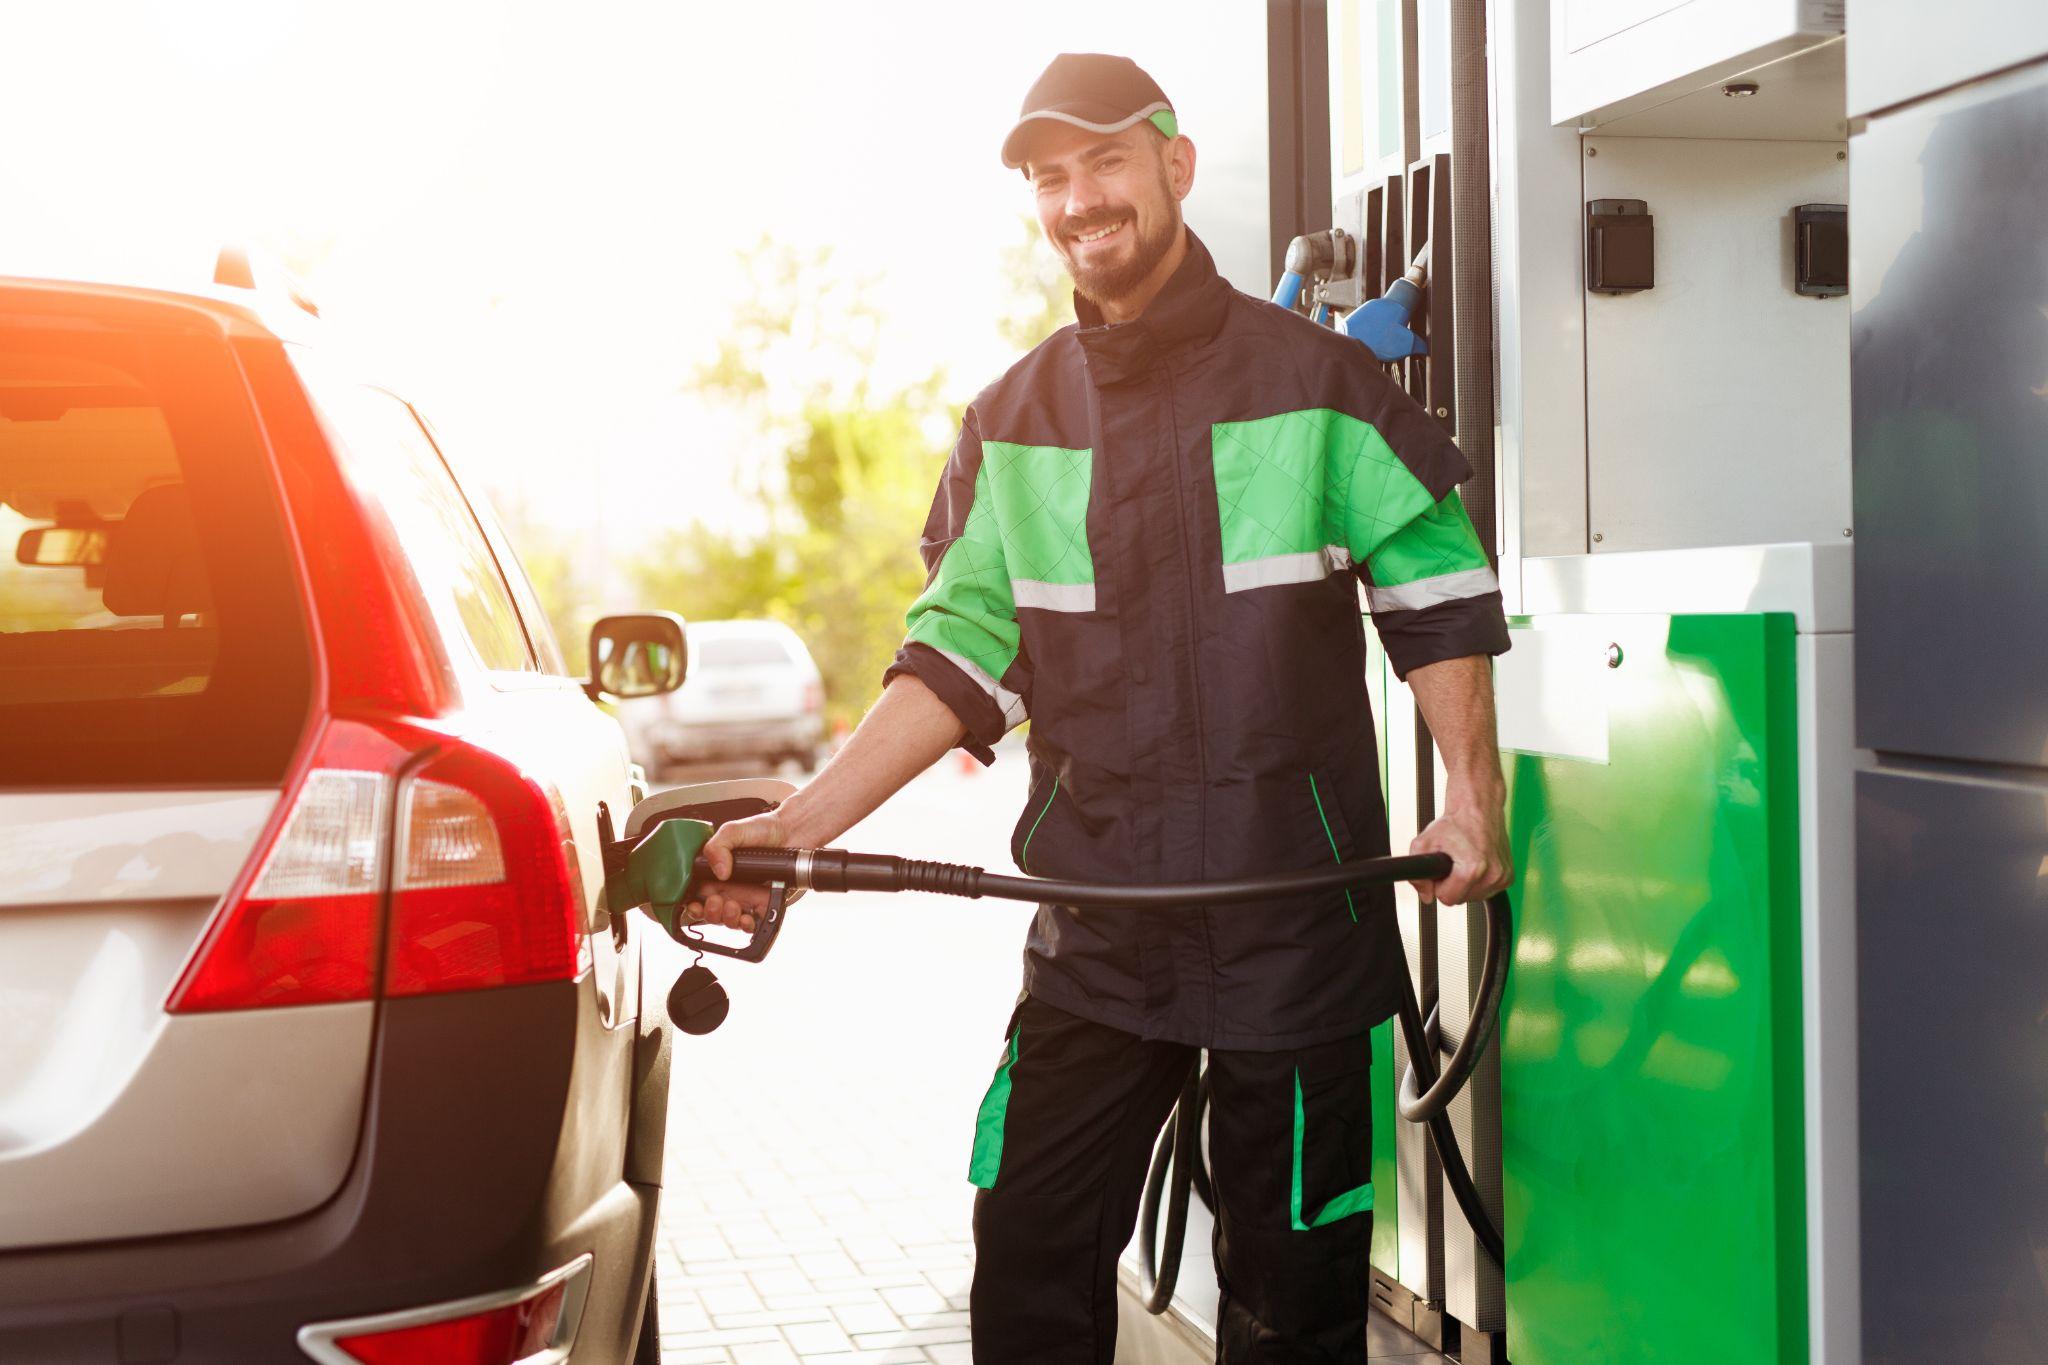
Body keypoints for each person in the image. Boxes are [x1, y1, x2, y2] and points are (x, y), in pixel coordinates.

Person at [686, 51, 1513, 1363]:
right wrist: (800, 821)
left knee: (1292, 1308)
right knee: (1024, 1254)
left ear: (1174, 167)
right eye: (1051, 177)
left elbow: (1438, 593)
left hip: (1292, 927)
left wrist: (1473, 794)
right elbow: (950, 664)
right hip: (1098, 935)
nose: (1081, 199)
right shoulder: (1011, 424)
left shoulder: (1316, 382)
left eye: (1106, 162)